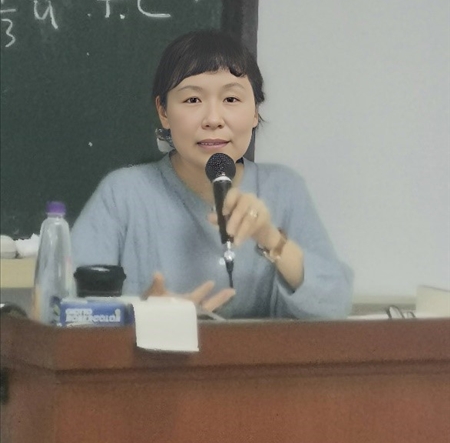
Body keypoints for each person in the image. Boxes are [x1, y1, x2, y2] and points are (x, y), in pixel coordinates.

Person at [71, 30, 353, 319]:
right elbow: (64, 307)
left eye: (231, 99)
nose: (213, 120)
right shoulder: (123, 194)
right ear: (164, 112)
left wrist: (270, 238)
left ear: (255, 111)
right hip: (151, 350)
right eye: (193, 100)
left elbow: (334, 306)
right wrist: (140, 311)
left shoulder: (283, 188)